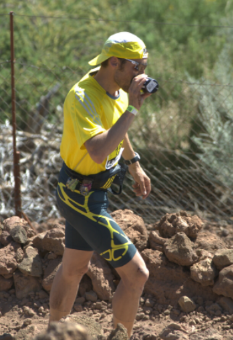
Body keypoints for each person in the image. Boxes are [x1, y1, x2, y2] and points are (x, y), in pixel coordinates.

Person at [49, 32, 152, 338]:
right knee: (136, 275)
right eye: (137, 67)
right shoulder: (82, 96)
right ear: (115, 62)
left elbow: (117, 127)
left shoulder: (118, 90)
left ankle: (53, 335)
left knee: (73, 269)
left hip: (93, 192)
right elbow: (97, 149)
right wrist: (134, 108)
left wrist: (134, 164)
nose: (142, 74)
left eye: (145, 66)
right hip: (79, 195)